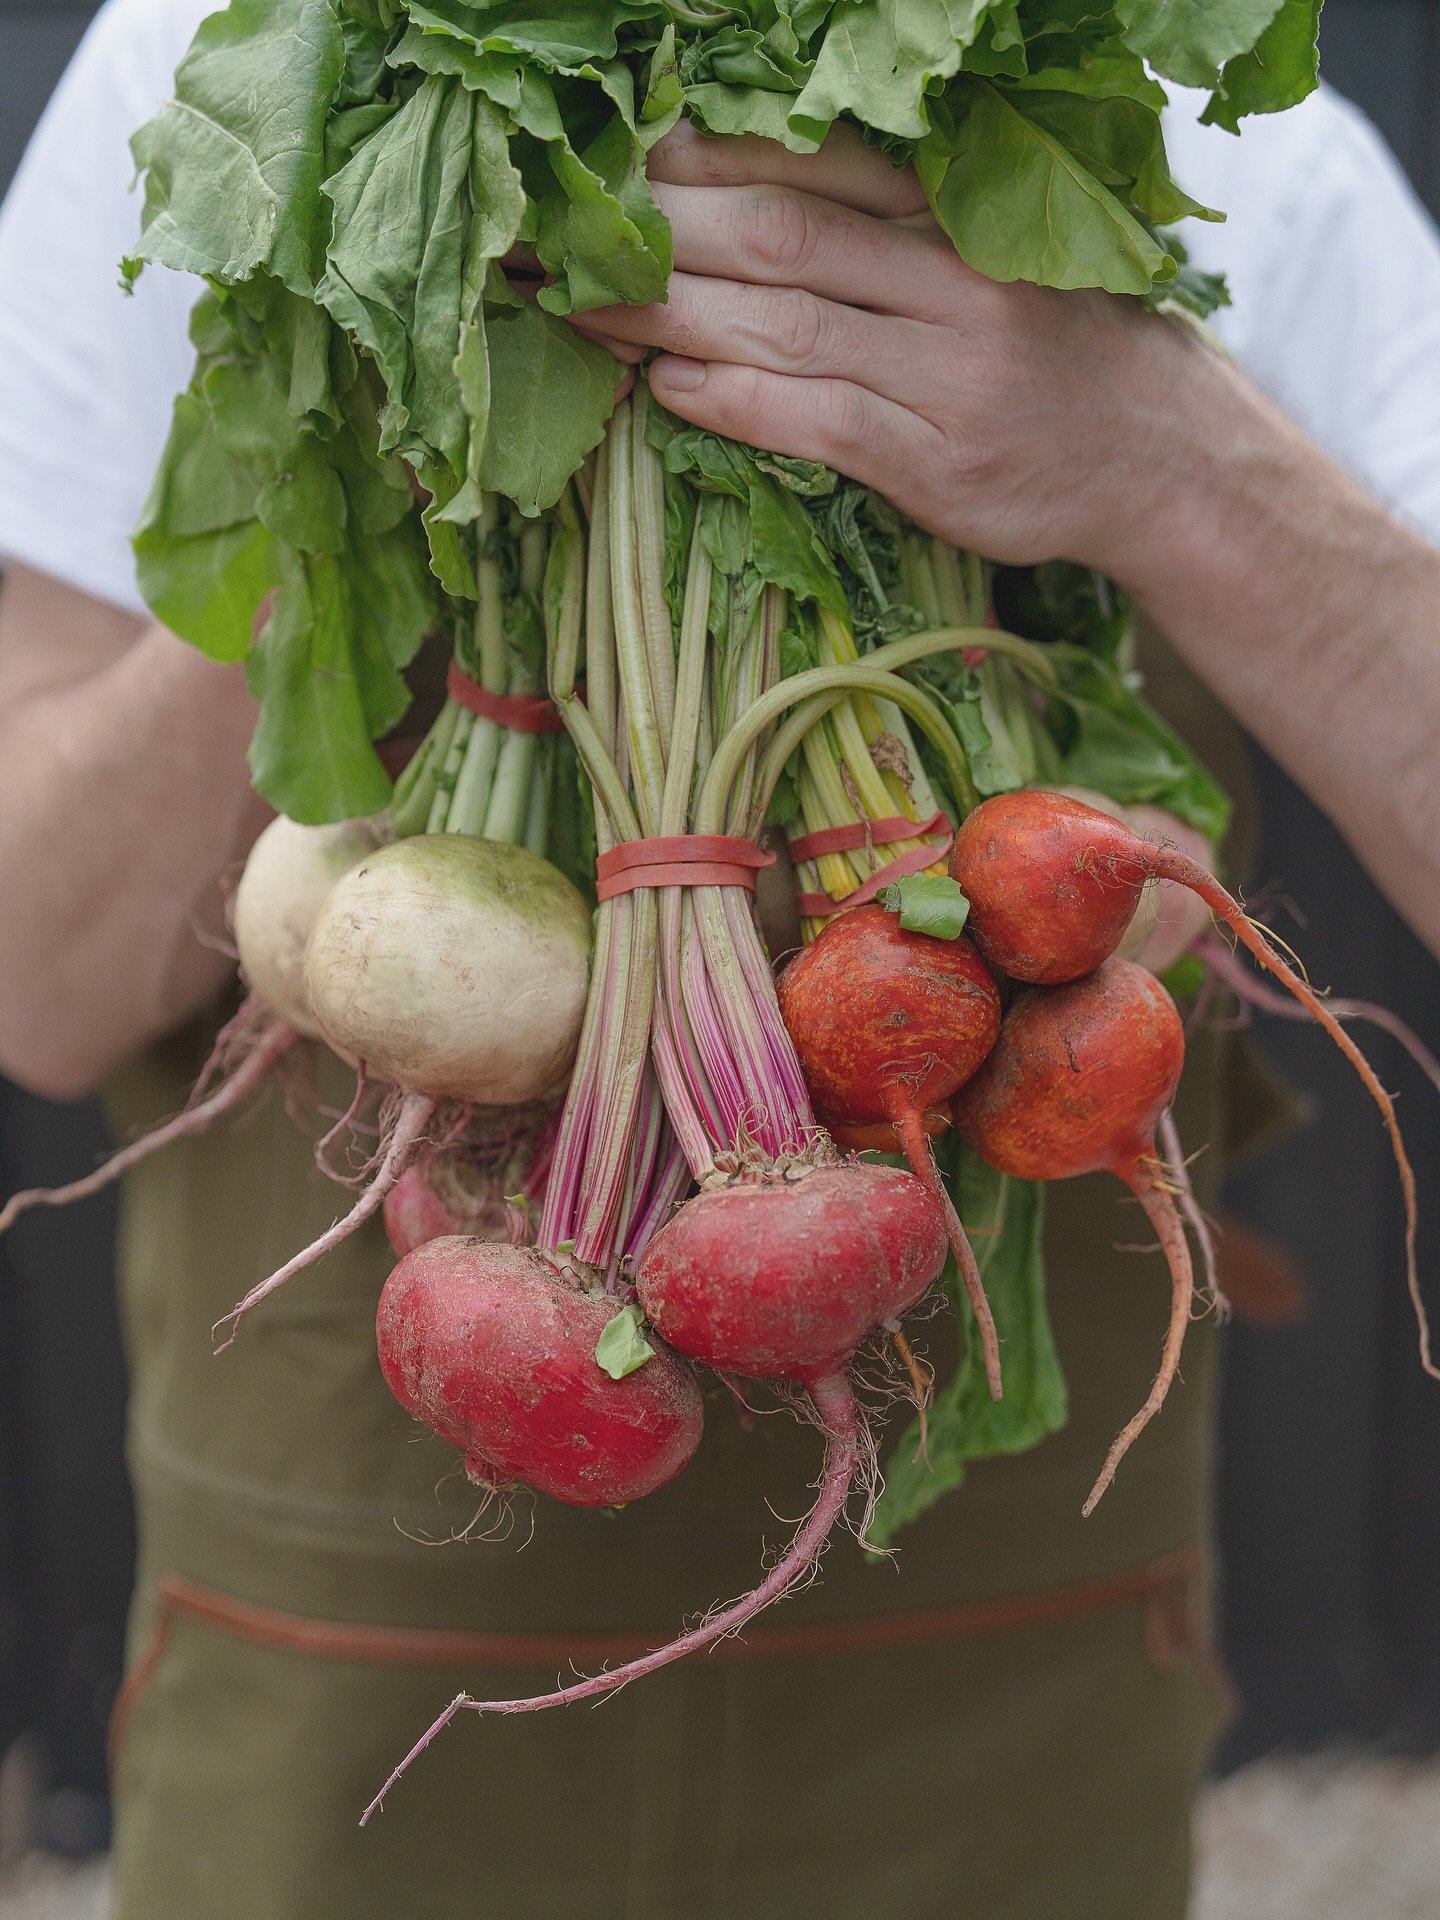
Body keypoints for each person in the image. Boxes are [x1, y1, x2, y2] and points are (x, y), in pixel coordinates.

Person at [1, 1, 1438, 1914]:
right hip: (352, 1680)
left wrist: (1173, 463)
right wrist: (376, 445)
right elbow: (36, 977)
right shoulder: (222, 70)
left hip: (1011, 1669)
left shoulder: (1228, 146)